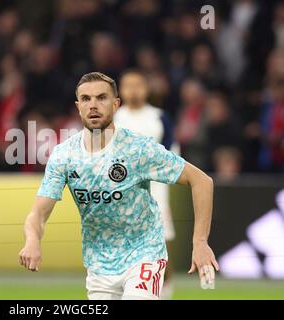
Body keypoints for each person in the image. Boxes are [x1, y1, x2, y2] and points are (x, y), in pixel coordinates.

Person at [19, 72, 219, 300]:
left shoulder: (138, 149)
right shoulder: (64, 155)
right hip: (99, 265)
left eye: (101, 98)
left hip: (144, 254)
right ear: (78, 106)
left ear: (115, 105)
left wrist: (200, 242)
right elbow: (38, 214)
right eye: (86, 99)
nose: (93, 105)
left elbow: (202, 181)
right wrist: (33, 240)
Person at [114, 70, 178, 299]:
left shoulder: (159, 118)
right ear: (120, 90)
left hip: (157, 195)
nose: (133, 90)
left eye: (138, 85)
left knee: (162, 251)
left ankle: (165, 294)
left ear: (146, 88)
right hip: (122, 196)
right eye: (128, 85)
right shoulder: (114, 118)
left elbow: (173, 155)